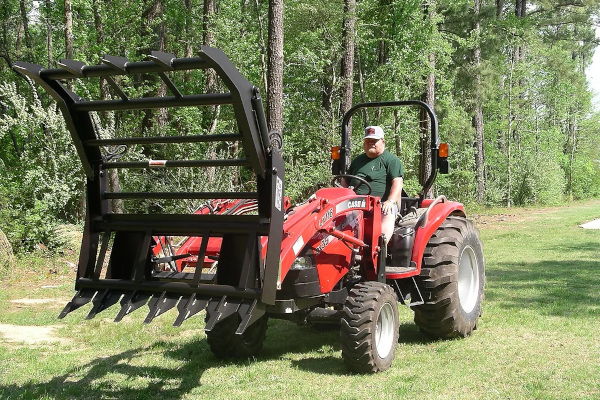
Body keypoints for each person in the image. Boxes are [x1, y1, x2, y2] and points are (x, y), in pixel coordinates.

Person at [343, 126, 404, 244]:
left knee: (387, 212)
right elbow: (346, 180)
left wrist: (390, 201)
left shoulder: (390, 160)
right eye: (368, 141)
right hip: (356, 203)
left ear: (383, 141)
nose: (371, 143)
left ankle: (380, 246)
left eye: (374, 141)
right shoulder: (358, 161)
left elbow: (397, 182)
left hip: (380, 204)